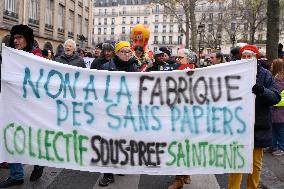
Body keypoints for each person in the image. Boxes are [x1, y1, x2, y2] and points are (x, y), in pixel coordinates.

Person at [228, 44, 281, 189]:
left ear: (256, 58)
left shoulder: (265, 75)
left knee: (256, 164)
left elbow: (275, 97)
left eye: (249, 56)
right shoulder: (233, 72)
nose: (246, 59)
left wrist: (262, 90)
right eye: (243, 56)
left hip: (258, 126)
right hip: (238, 126)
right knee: (236, 163)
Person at [0, 24, 44, 188]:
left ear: (27, 39)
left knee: (33, 137)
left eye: (19, 37)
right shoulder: (8, 55)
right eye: (14, 37)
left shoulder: (36, 56)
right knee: (11, 137)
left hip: (32, 106)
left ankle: (39, 164)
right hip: (11, 104)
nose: (16, 40)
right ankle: (16, 175)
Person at [98, 41, 138, 187]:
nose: (127, 55)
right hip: (110, 113)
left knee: (123, 142)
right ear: (117, 53)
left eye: (129, 52)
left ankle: (120, 164)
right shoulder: (106, 68)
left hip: (126, 113)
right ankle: (108, 175)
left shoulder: (135, 68)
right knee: (107, 143)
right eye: (123, 51)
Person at [270, 59, 284, 156]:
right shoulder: (277, 77)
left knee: (279, 129)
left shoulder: (279, 78)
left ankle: (281, 148)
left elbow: (276, 92)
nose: (270, 66)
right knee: (274, 128)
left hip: (279, 109)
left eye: (272, 65)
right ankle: (273, 145)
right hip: (277, 108)